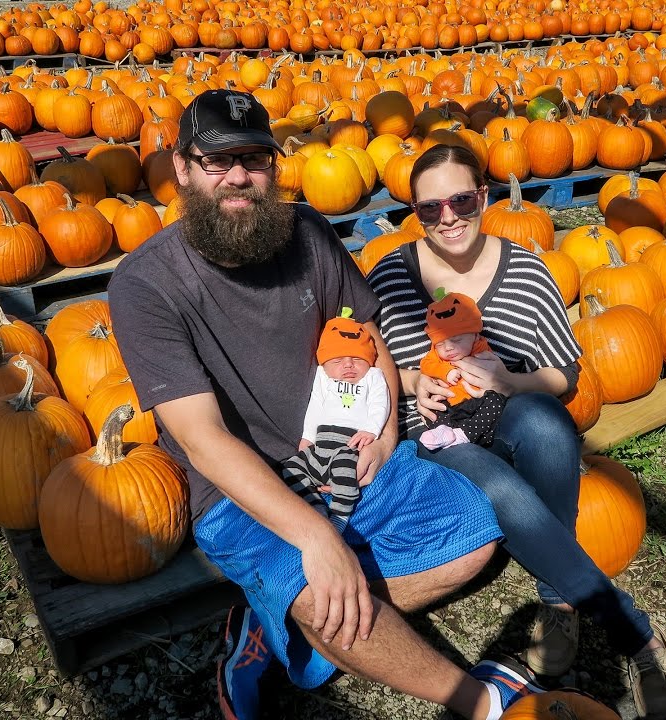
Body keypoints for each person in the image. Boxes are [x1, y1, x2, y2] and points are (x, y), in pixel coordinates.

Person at [107, 89, 549, 720]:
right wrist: (314, 535)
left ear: (273, 165)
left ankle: (277, 625)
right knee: (319, 589)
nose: (238, 176)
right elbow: (203, 438)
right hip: (241, 490)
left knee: (475, 535)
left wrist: (387, 432)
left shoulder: (308, 232)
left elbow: (368, 334)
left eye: (254, 159)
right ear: (181, 167)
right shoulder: (145, 285)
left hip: (348, 447)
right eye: (216, 160)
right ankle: (480, 700)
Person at [365, 144, 666, 719]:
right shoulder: (390, 277)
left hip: (507, 412)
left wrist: (509, 380)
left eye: (461, 200)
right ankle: (633, 632)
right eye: (430, 208)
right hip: (434, 433)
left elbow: (564, 373)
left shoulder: (527, 271)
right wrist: (413, 380)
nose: (448, 217)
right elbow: (371, 366)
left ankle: (558, 602)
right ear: (415, 213)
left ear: (483, 196)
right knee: (499, 486)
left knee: (546, 423)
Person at [282, 306, 390, 531]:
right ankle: (315, 508)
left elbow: (380, 404)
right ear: (325, 364)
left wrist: (372, 429)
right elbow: (315, 405)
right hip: (320, 447)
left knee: (344, 469)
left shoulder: (372, 376)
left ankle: (340, 516)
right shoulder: (323, 377)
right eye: (338, 360)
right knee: (291, 467)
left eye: (356, 358)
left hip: (348, 446)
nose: (348, 364)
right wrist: (308, 436)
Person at [418, 288, 507, 451]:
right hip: (450, 402)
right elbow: (426, 364)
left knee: (496, 401)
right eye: (440, 344)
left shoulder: (481, 349)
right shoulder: (436, 355)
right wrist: (445, 371)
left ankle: (465, 434)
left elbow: (493, 373)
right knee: (433, 406)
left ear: (475, 335)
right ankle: (442, 431)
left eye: (457, 340)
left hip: (477, 401)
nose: (448, 348)